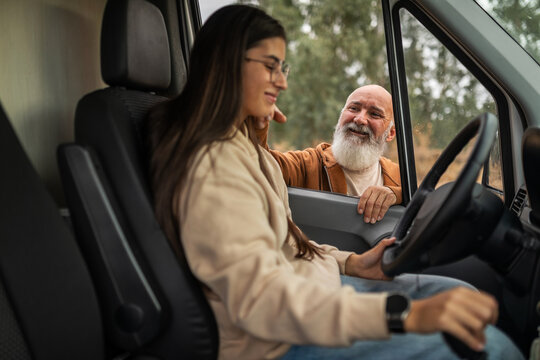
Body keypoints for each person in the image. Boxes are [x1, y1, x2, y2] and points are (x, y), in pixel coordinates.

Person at [147, 4, 523, 360]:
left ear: (391, 134)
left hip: (311, 291)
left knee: (461, 293)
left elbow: (287, 247)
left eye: (284, 68)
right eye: (269, 67)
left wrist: (351, 263)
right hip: (275, 339)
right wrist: (401, 317)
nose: (282, 82)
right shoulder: (216, 162)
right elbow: (261, 299)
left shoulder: (244, 149)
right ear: (226, 67)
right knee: (492, 347)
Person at [256, 84, 400, 223]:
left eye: (374, 114)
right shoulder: (307, 165)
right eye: (354, 108)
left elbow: (420, 205)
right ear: (341, 116)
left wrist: (397, 195)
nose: (360, 119)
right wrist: (256, 117)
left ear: (391, 133)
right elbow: (257, 162)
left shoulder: (399, 176)